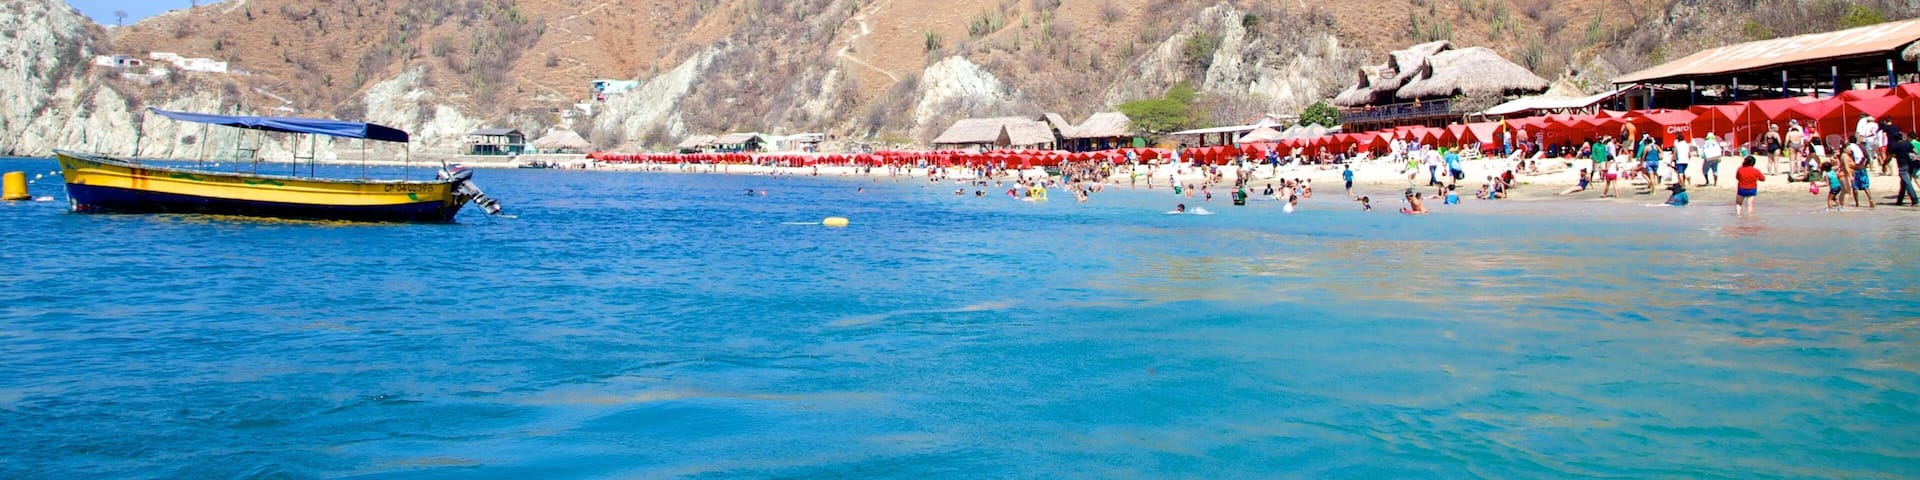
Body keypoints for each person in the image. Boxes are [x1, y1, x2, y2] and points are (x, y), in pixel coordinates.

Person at [1894, 128, 1920, 206]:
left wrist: (1884, 165)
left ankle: (1914, 199)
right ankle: (1899, 200)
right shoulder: (1908, 143)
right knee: (1904, 183)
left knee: (1907, 182)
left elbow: (1889, 156)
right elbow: (1915, 151)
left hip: (1902, 166)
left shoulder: (1896, 146)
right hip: (1911, 165)